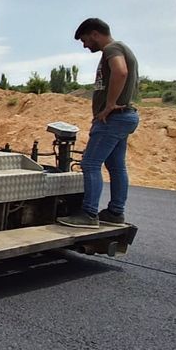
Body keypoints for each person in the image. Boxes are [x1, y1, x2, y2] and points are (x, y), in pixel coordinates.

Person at [57, 18, 140, 229]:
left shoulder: (112, 49)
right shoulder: (121, 48)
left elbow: (121, 72)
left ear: (95, 34)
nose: (85, 45)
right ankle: (115, 212)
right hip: (125, 117)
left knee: (90, 164)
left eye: (85, 40)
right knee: (115, 166)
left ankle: (89, 213)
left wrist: (110, 104)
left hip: (114, 119)